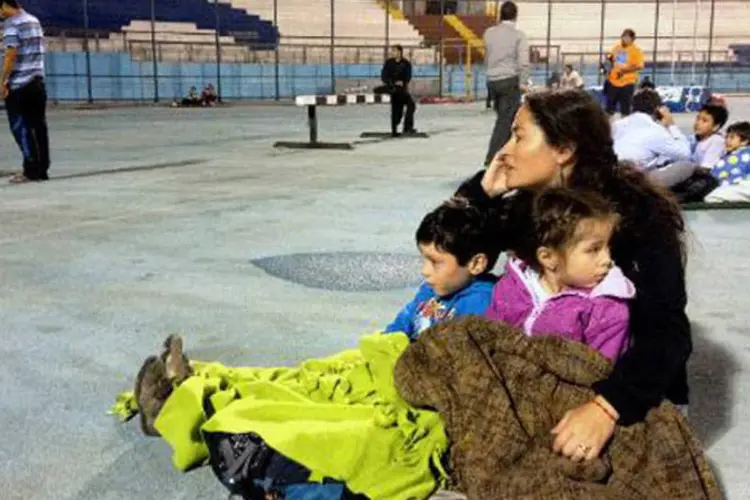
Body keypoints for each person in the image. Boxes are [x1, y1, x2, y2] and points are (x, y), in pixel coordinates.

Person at [455, 88, 690, 462]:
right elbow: (452, 255)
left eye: (518, 136)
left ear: (564, 150)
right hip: (541, 377)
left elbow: (667, 332)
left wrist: (605, 408)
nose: (504, 151)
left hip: (627, 389)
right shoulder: (531, 208)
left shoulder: (636, 218)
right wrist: (481, 193)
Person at [487, 188, 635, 361]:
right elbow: (488, 336)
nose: (607, 259)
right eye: (594, 249)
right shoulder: (512, 287)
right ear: (548, 257)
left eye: (608, 247)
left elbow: (599, 371)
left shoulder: (608, 310)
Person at [386, 198, 499, 340]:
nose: (425, 271)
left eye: (435, 263)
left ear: (476, 264)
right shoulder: (431, 290)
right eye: (425, 259)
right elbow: (400, 327)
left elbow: (460, 354)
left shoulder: (480, 303)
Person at [2, 0, 50, 184]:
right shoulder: (34, 20)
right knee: (39, 127)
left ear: (5, 6)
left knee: (20, 127)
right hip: (37, 82)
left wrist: (3, 80)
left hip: (19, 84)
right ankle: (42, 168)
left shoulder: (12, 24)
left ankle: (30, 169)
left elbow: (10, 54)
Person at [612, 89, 692, 187]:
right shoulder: (655, 130)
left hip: (610, 175)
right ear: (658, 110)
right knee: (687, 166)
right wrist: (671, 125)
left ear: (632, 107)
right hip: (631, 181)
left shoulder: (617, 124)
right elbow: (685, 154)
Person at [483, 1, 529, 166]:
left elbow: (487, 56)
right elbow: (523, 62)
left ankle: (508, 157)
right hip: (509, 79)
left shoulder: (489, 33)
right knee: (506, 121)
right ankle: (492, 159)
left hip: (492, 80)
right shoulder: (518, 36)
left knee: (505, 119)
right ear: (515, 16)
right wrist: (523, 81)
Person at [705, 121, 750, 202]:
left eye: (732, 137)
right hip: (733, 187)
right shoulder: (729, 156)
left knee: (712, 197)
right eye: (726, 137)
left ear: (744, 141)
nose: (727, 140)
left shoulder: (746, 154)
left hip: (743, 184)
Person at [604, 29, 645, 116]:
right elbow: (610, 60)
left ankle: (625, 126)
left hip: (627, 83)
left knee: (625, 111)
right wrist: (606, 69)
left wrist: (625, 70)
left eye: (627, 37)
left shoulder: (636, 50)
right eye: (623, 36)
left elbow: (640, 66)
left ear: (632, 39)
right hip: (613, 82)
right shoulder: (616, 48)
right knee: (608, 110)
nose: (624, 39)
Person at [379, 45, 417, 137]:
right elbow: (384, 76)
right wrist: (392, 82)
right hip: (392, 89)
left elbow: (408, 76)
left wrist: (403, 82)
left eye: (394, 51)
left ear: (400, 52)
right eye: (392, 51)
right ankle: (394, 129)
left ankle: (407, 127)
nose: (392, 53)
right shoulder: (389, 63)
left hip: (402, 89)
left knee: (411, 105)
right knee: (396, 109)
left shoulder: (406, 63)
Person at [689, 103, 728, 169]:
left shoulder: (716, 141)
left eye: (704, 121)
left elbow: (706, 168)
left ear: (715, 126)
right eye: (698, 119)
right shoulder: (695, 138)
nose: (698, 123)